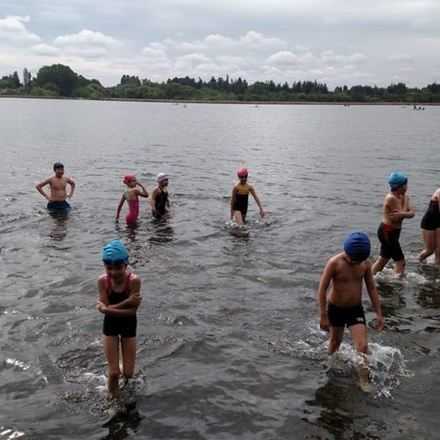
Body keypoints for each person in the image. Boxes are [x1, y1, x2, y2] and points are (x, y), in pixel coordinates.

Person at [318, 232, 384, 390]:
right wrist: (323, 316)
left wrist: (379, 313)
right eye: (351, 259)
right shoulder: (335, 263)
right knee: (335, 342)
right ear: (345, 251)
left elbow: (372, 288)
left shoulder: (365, 264)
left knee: (362, 346)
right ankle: (329, 366)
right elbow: (322, 289)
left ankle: (364, 380)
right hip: (336, 309)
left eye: (358, 260)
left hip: (355, 309)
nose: (354, 262)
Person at [97, 240, 142, 400]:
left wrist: (108, 309)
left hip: (129, 325)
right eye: (109, 268)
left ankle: (121, 363)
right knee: (114, 372)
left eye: (118, 268)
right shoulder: (103, 281)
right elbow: (127, 308)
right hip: (110, 325)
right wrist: (128, 303)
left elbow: (132, 312)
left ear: (126, 264)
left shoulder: (134, 281)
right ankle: (113, 399)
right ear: (104, 266)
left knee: (128, 374)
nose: (114, 272)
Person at [372, 172, 415, 276]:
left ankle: (370, 277)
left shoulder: (400, 197)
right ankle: (397, 283)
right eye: (405, 184)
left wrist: (405, 212)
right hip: (387, 231)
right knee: (401, 262)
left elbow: (412, 213)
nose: (407, 187)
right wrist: (406, 201)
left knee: (384, 259)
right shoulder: (391, 198)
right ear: (399, 186)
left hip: (392, 232)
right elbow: (401, 216)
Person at [419, 188, 440, 263]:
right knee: (430, 250)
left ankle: (436, 271)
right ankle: (419, 262)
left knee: (439, 251)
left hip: (438, 222)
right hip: (429, 222)